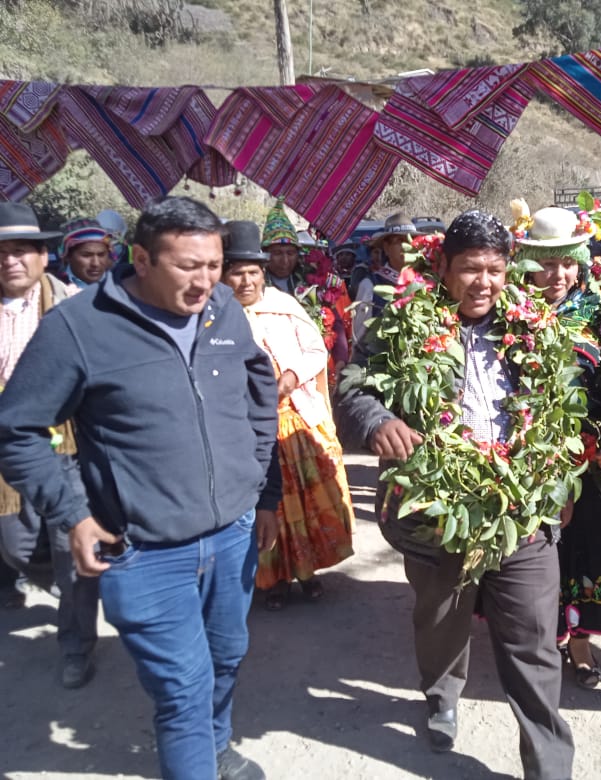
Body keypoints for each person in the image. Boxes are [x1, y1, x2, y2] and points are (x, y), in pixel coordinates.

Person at [0, 196, 281, 780]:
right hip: (145, 553)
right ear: (141, 259)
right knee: (183, 689)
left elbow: (258, 389)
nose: (205, 282)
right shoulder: (78, 328)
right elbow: (17, 429)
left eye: (213, 264)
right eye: (187, 267)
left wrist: (259, 483)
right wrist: (73, 514)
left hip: (232, 537)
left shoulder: (223, 309)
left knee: (226, 657)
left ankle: (218, 745)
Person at [335, 210, 576, 778]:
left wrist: (561, 475)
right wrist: (375, 421)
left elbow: (563, 410)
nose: (483, 282)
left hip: (520, 510)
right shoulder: (405, 320)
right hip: (435, 511)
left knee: (535, 640)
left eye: (494, 269)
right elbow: (352, 386)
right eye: (470, 269)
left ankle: (549, 763)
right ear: (443, 267)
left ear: (508, 269)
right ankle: (441, 694)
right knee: (442, 617)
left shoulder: (534, 326)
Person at [517, 206, 601, 689]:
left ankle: (578, 642)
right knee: (535, 554)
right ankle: (536, 640)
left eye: (566, 263)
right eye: (546, 262)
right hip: (526, 458)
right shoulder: (508, 315)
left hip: (594, 460)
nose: (557, 275)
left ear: (580, 262)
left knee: (586, 550)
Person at [221, 221, 355, 611]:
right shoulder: (218, 316)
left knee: (312, 499)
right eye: (237, 272)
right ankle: (273, 579)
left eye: (252, 272)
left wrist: (293, 377)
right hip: (249, 429)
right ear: (224, 275)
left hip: (295, 419)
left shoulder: (284, 307)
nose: (246, 281)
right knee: (269, 507)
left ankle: (308, 571)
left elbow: (316, 350)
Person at [0, 202, 100, 689]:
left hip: (66, 447)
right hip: (8, 450)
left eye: (22, 251)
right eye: (2, 252)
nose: (11, 261)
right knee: (16, 548)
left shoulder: (73, 308)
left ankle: (76, 644)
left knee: (72, 549)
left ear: (43, 257)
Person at [351, 213, 417, 347]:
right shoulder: (370, 285)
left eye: (411, 240)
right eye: (400, 241)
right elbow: (359, 337)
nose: (407, 246)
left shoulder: (424, 283)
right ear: (386, 248)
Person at [261, 196, 307, 294]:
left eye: (290, 253)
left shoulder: (308, 279)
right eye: (277, 253)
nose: (285, 261)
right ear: (265, 254)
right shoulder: (255, 284)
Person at [59, 218, 115, 288]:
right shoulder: (54, 287)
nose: (96, 263)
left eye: (101, 255)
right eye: (86, 256)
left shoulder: (119, 286)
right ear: (67, 256)